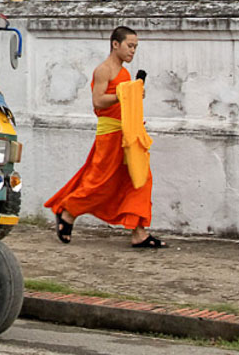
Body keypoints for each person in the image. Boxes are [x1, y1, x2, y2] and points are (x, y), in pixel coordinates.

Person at [46, 25, 163, 249]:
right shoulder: (104, 70)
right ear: (115, 44)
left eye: (135, 47)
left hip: (128, 132)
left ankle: (139, 232)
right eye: (130, 46)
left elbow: (124, 99)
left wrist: (135, 93)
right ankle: (68, 212)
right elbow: (98, 101)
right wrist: (123, 94)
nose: (132, 51)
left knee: (140, 179)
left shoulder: (125, 73)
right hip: (110, 134)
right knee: (100, 182)